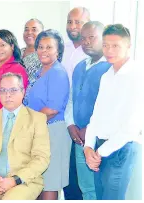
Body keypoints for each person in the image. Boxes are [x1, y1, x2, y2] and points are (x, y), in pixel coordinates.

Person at [84, 24, 143, 200]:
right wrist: (88, 147)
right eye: (106, 45)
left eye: (115, 45)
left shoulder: (137, 75)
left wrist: (98, 153)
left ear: (128, 47)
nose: (109, 50)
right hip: (99, 148)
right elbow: (96, 116)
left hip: (121, 149)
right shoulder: (107, 76)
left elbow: (131, 126)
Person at [64, 21, 111, 200]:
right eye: (83, 38)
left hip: (100, 139)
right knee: (86, 187)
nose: (87, 42)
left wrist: (90, 129)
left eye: (92, 37)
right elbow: (71, 100)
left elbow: (108, 107)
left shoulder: (110, 68)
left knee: (101, 187)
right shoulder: (79, 67)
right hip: (79, 139)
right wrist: (70, 125)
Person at [26, 29, 70, 200]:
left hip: (53, 131)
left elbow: (52, 109)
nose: (43, 51)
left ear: (58, 50)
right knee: (39, 180)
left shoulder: (58, 72)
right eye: (40, 47)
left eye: (49, 47)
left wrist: (29, 125)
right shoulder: (40, 72)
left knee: (50, 181)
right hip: (40, 130)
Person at [62, 7, 90, 200]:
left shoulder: (92, 52)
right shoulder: (63, 47)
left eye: (78, 22)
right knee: (67, 175)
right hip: (62, 119)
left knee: (84, 178)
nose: (73, 26)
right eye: (70, 21)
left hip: (83, 123)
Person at [21, 19, 44, 105]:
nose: (29, 32)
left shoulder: (43, 57)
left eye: (34, 29)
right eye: (26, 29)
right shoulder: (17, 53)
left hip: (33, 106)